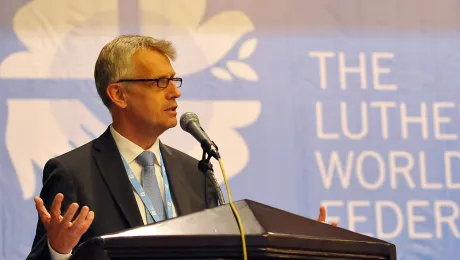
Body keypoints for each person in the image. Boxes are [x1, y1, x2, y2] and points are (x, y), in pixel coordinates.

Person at [27, 35, 337, 260]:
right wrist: (60, 250)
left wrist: (300, 252)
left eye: (175, 81)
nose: (175, 93)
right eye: (161, 83)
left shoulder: (195, 173)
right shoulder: (73, 172)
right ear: (119, 95)